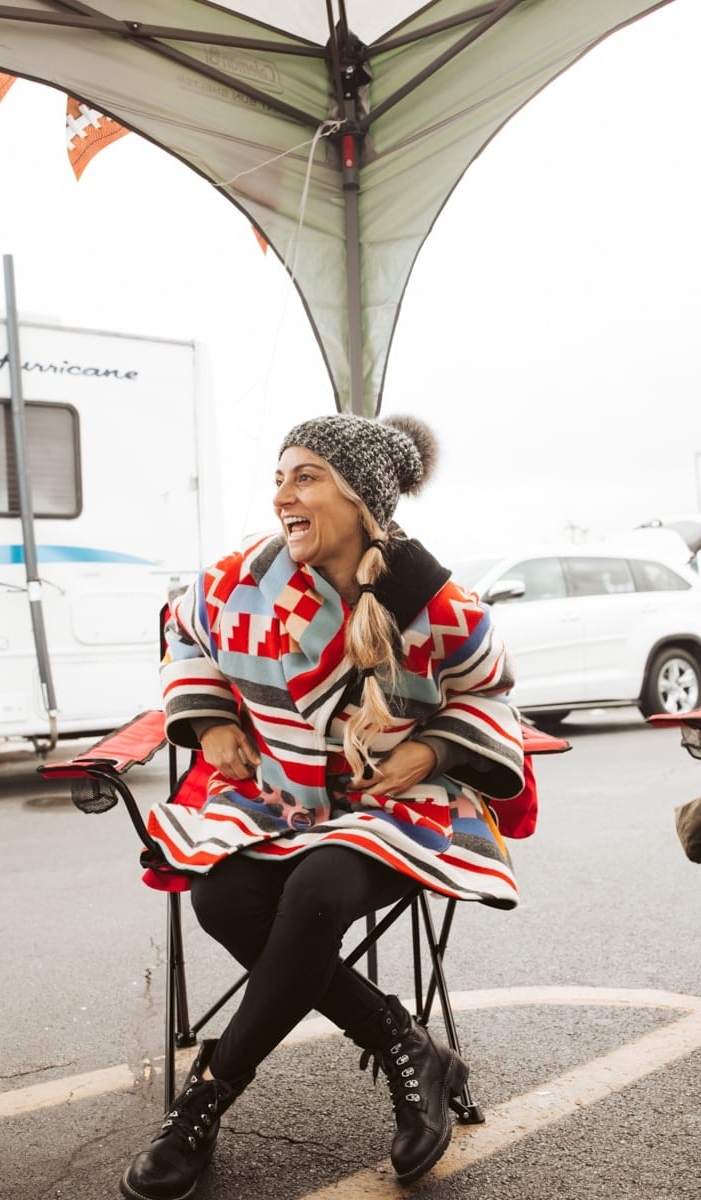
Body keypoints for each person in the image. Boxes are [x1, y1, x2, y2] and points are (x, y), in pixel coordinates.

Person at [120, 413, 525, 1200]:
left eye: (304, 477)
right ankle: (407, 1044)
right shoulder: (243, 582)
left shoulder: (437, 603)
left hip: (398, 812)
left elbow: (494, 693)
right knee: (220, 897)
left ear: (360, 497)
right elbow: (183, 632)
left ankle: (205, 1098)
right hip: (283, 804)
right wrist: (207, 721)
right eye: (278, 478)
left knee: (318, 889)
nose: (282, 497)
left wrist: (432, 750)